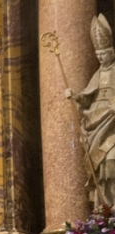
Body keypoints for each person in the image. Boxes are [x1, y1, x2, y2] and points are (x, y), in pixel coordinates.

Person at [66, 14, 115, 208]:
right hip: (97, 120)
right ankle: (103, 207)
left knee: (111, 161)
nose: (100, 57)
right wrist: (76, 96)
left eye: (103, 53)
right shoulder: (98, 73)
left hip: (112, 121)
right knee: (100, 164)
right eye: (98, 54)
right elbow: (88, 96)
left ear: (111, 52)